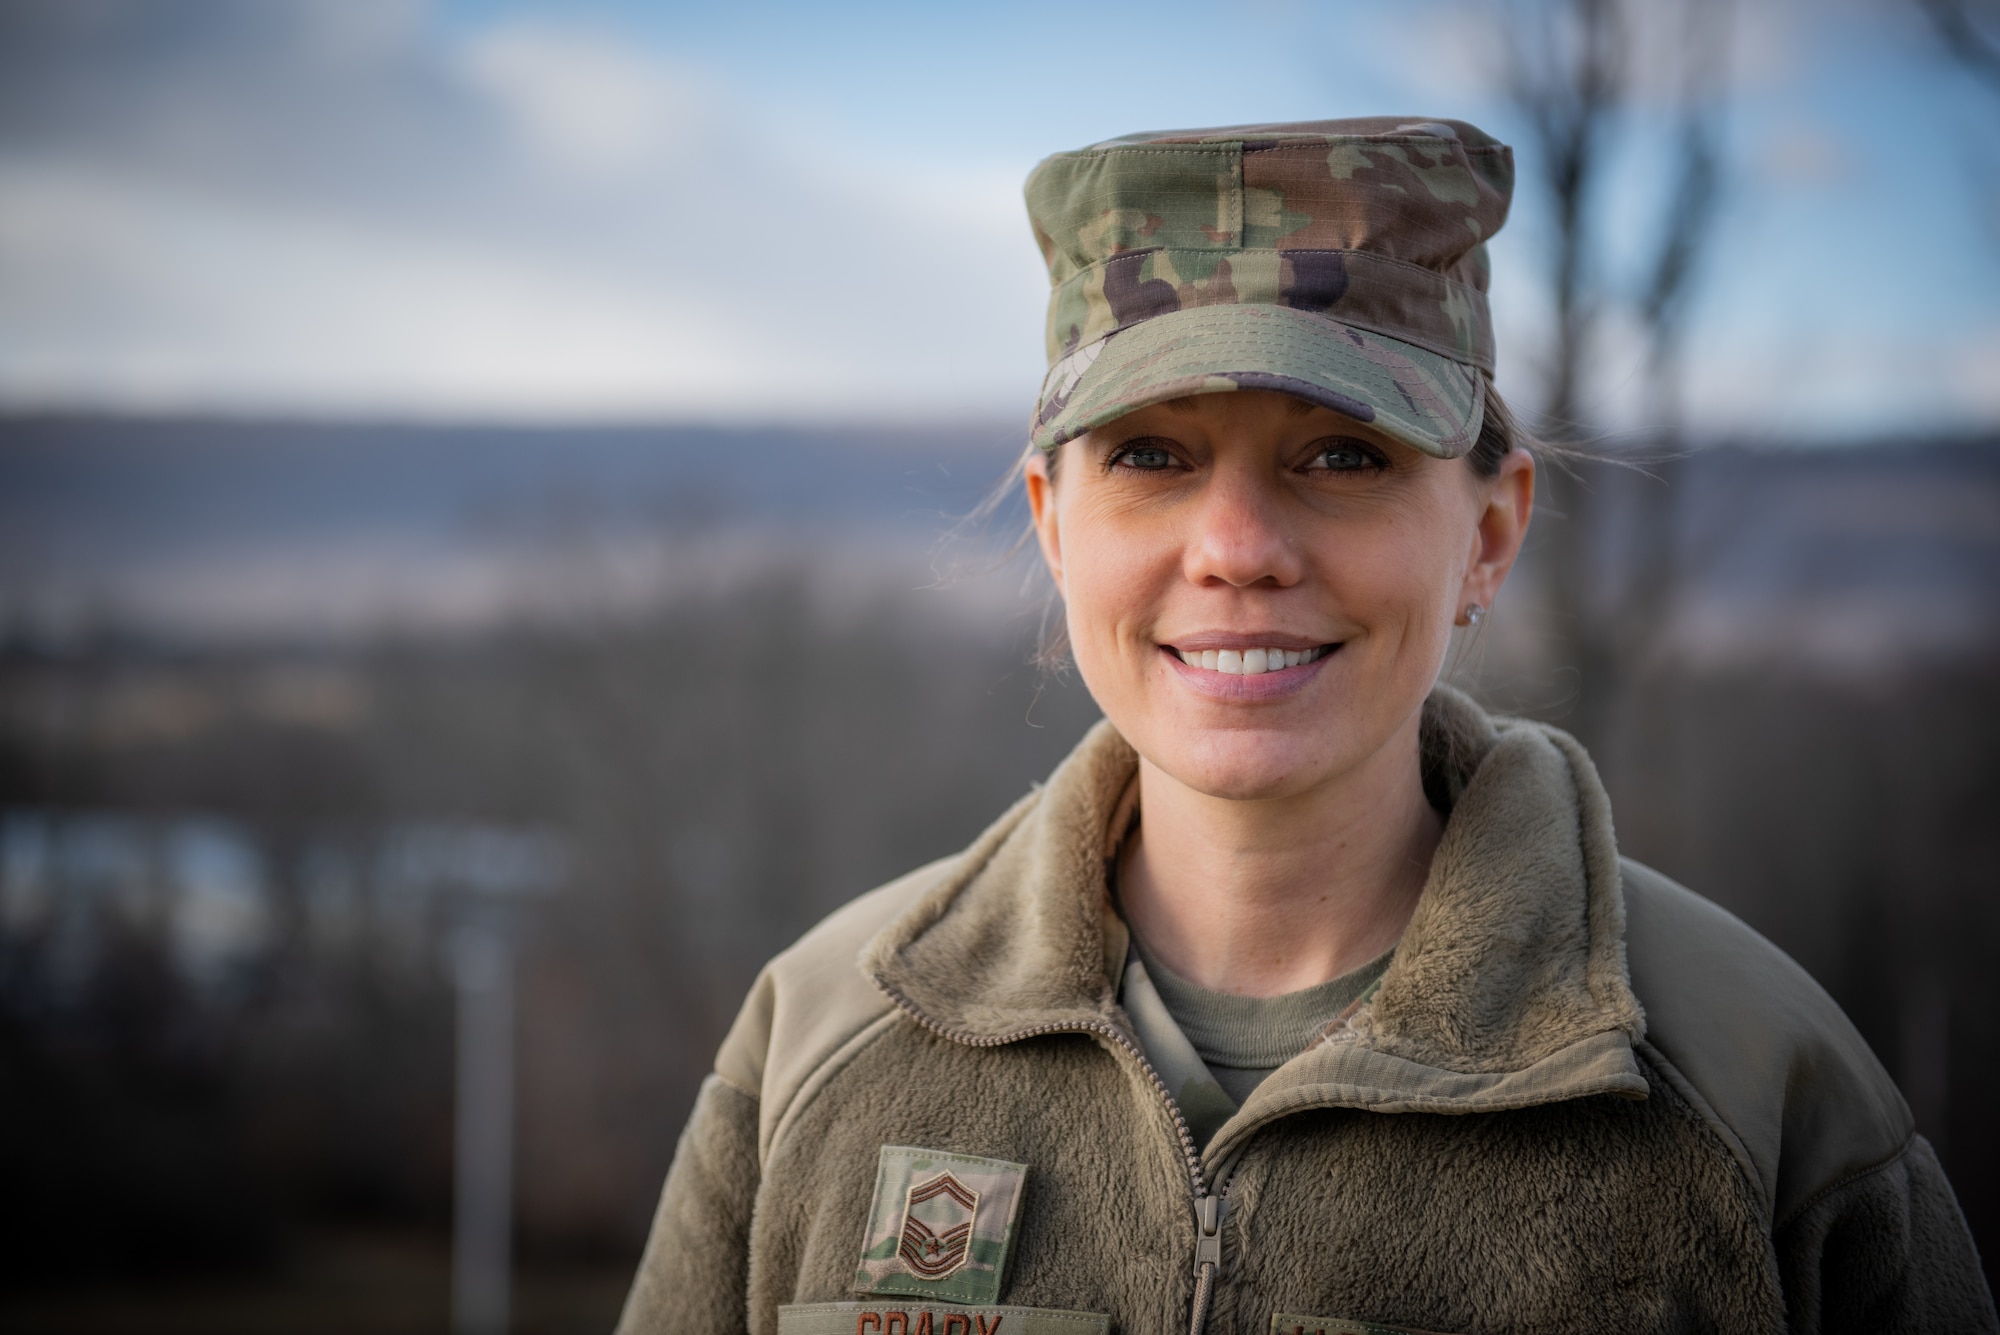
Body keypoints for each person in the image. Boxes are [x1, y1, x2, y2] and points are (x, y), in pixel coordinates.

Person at [617, 118, 1995, 1335]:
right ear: (1052, 522)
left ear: (1492, 532)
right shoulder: (824, 1038)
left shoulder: (1749, 1097)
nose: (1236, 548)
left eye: (1344, 454)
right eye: (1150, 456)